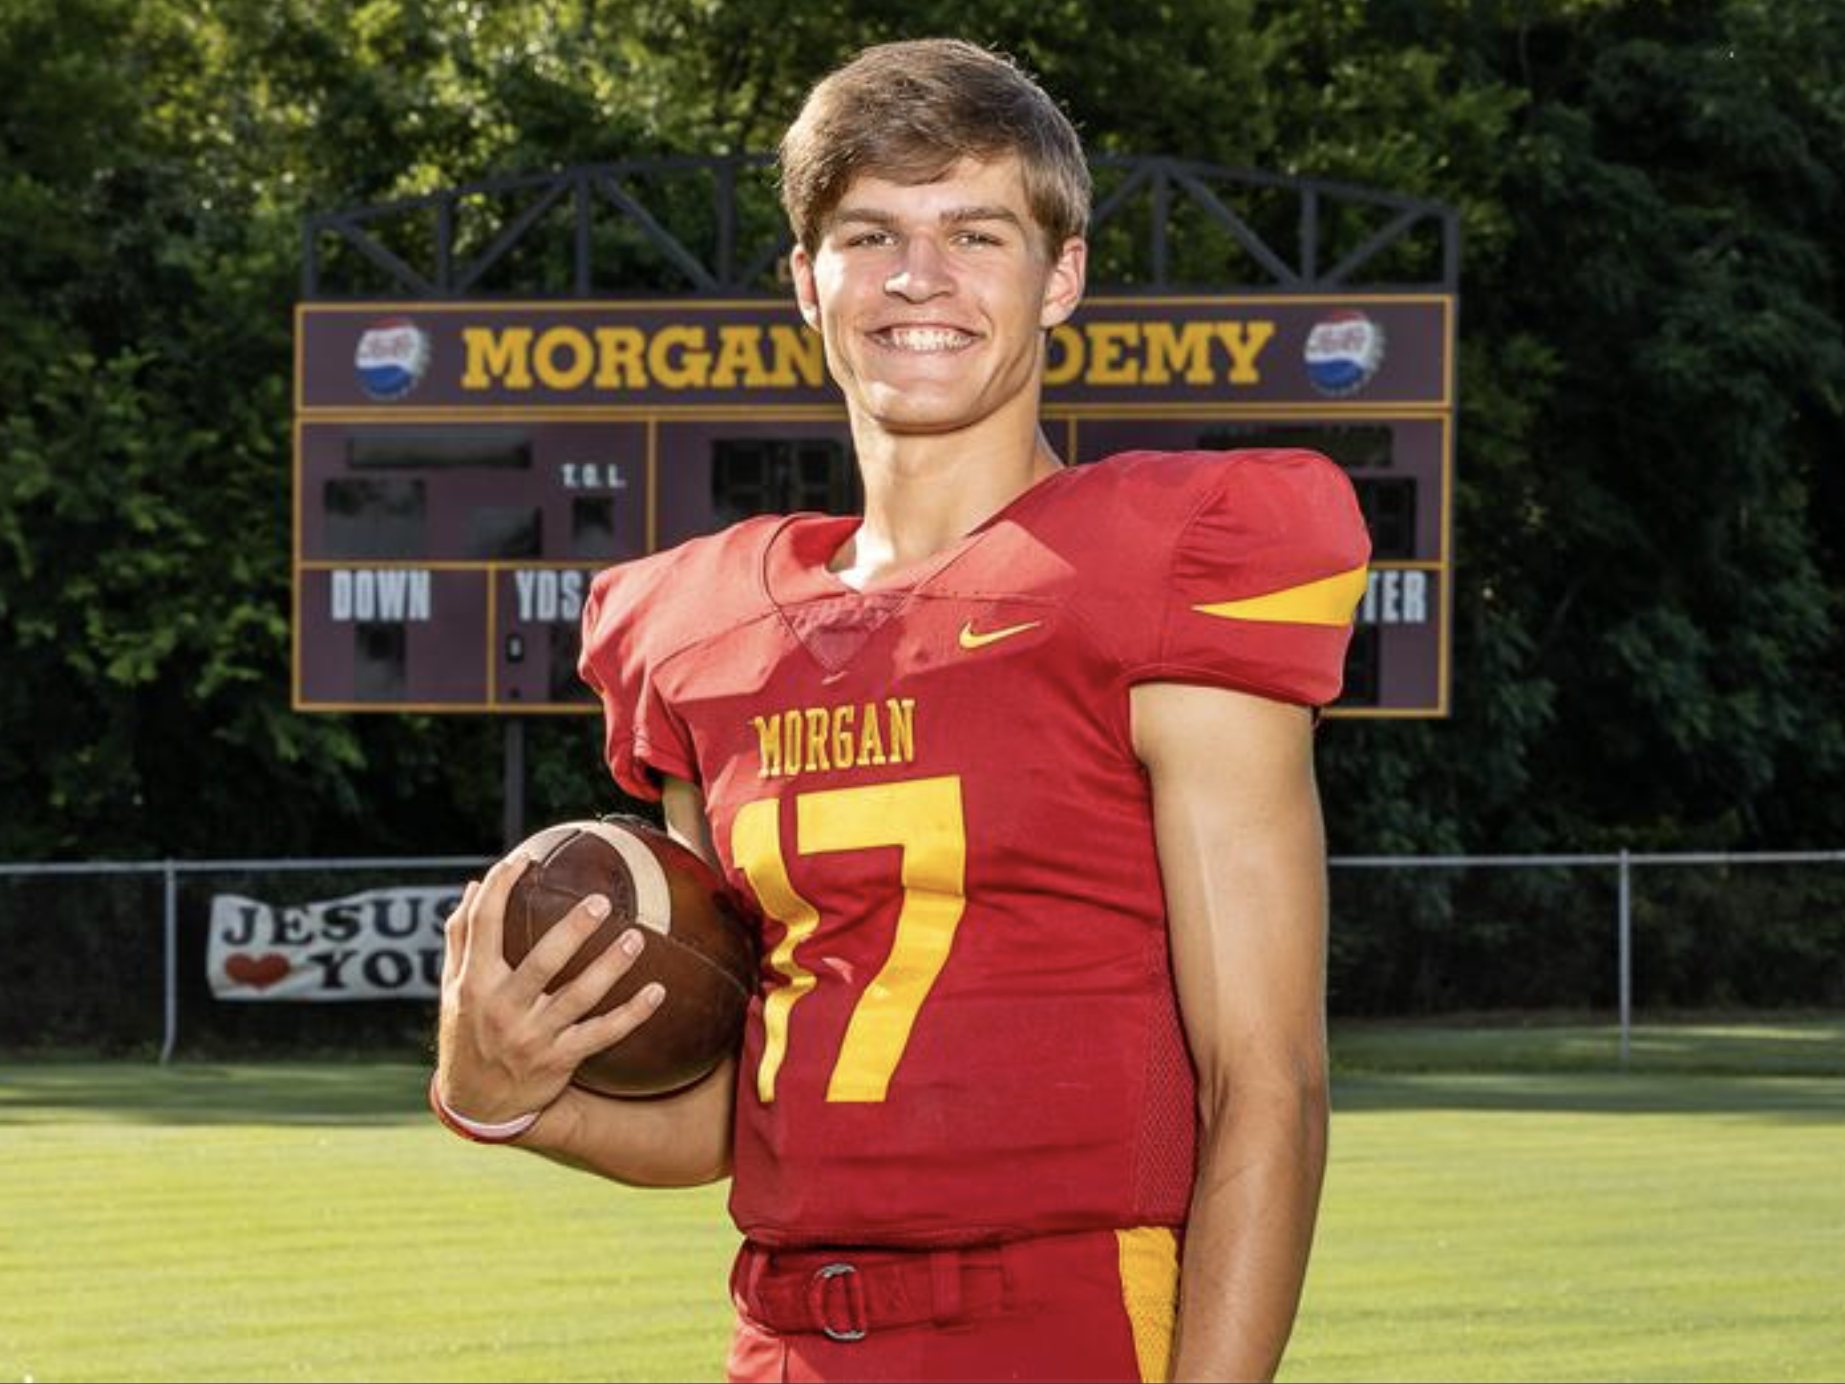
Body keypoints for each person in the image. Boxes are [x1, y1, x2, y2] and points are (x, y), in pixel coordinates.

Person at [432, 37, 1370, 1384]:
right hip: (787, 1339)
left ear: (1064, 279)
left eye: (974, 233)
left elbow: (1266, 1083)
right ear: (806, 281)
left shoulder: (1167, 558)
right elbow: (729, 1118)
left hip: (1070, 1316)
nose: (917, 279)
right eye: (869, 234)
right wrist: (499, 1094)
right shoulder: (702, 635)